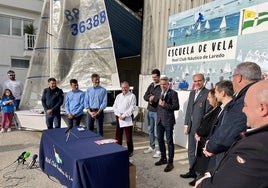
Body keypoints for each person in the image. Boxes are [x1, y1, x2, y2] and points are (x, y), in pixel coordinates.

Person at [195, 80, 268, 188]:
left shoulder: (255, 148)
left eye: (246, 105)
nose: (242, 110)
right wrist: (211, 173)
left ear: (262, 108)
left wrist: (202, 184)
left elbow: (224, 184)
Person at [203, 62, 262, 167]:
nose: (232, 80)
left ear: (239, 77)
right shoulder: (260, 93)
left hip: (238, 158)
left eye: (233, 76)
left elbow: (230, 130)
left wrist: (210, 146)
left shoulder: (245, 98)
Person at [190, 81, 233, 186]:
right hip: (208, 144)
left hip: (214, 149)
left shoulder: (227, 110)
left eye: (212, 95)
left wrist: (208, 143)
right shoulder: (216, 109)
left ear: (222, 93)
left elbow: (217, 130)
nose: (208, 99)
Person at [180, 73, 210, 179]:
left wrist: (202, 130)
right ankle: (191, 171)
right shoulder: (192, 93)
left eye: (199, 81)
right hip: (191, 127)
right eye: (195, 81)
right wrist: (186, 124)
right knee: (191, 150)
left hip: (200, 130)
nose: (197, 83)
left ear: (203, 81)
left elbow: (207, 114)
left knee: (200, 152)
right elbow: (189, 110)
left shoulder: (207, 93)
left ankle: (198, 175)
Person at [154, 76, 180, 172]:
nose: (162, 86)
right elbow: (156, 103)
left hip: (168, 121)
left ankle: (170, 162)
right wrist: (151, 100)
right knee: (160, 140)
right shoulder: (158, 92)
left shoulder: (173, 93)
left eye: (164, 84)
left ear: (168, 84)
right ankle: (163, 158)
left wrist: (164, 104)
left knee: (169, 141)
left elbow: (176, 106)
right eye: (161, 84)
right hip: (159, 120)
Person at [113, 81, 136, 157]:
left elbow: (132, 107)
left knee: (128, 136)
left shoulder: (132, 96)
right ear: (121, 88)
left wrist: (124, 115)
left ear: (128, 87)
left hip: (127, 117)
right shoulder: (118, 96)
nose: (124, 89)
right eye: (123, 87)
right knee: (118, 135)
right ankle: (117, 149)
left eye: (126, 87)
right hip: (119, 117)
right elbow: (114, 106)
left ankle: (130, 151)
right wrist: (119, 115)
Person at [143, 69, 162, 158]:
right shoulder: (151, 85)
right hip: (149, 110)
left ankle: (159, 150)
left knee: (157, 131)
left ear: (159, 76)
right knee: (150, 130)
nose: (153, 79)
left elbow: (159, 97)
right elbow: (145, 96)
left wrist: (152, 99)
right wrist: (150, 98)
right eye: (153, 77)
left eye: (155, 77)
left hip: (157, 112)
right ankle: (151, 146)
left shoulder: (161, 86)